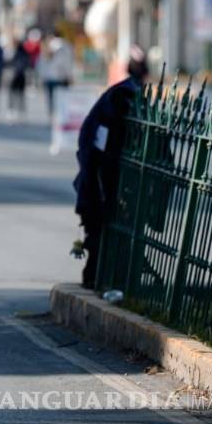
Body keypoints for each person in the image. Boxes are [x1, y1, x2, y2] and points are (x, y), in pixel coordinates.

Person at [73, 47, 149, 288]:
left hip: (97, 184)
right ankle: (97, 280)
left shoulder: (122, 95)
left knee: (105, 238)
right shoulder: (121, 99)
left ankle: (102, 279)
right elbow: (100, 152)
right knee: (99, 239)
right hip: (97, 186)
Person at [39, 32, 74, 117]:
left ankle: (52, 117)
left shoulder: (46, 46)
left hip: (49, 77)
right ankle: (61, 117)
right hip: (61, 77)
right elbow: (67, 64)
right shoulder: (66, 46)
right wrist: (69, 76)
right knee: (62, 99)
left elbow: (41, 64)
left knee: (51, 100)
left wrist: (41, 77)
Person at [7, 38, 30, 121]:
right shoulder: (24, 53)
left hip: (15, 76)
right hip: (20, 76)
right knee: (20, 95)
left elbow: (8, 62)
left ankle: (13, 111)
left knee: (13, 94)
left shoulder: (14, 52)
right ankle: (20, 111)